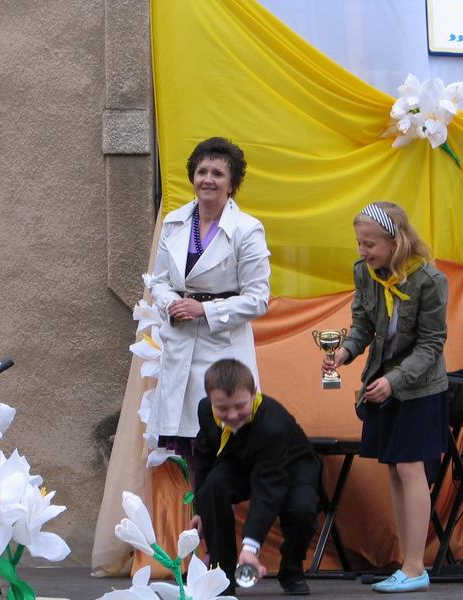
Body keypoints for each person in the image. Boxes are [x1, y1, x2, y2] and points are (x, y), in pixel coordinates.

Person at [322, 201, 448, 593]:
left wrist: (395, 381)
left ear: (396, 242)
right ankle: (406, 562)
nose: (362, 251)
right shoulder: (364, 272)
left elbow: (431, 344)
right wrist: (345, 352)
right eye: (359, 243)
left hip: (419, 387)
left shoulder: (430, 280)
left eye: (370, 244)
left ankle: (415, 567)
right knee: (394, 468)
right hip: (383, 384)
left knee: (410, 467)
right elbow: (363, 324)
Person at [147, 137, 271, 462]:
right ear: (193, 177)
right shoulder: (173, 223)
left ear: (232, 184)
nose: (208, 179)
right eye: (202, 171)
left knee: (224, 448)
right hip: (180, 345)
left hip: (223, 351)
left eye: (218, 173)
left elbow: (258, 299)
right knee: (189, 452)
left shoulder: (247, 230)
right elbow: (159, 282)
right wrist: (170, 304)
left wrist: (204, 309)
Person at [190, 358, 320, 596]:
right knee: (211, 489)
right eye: (223, 408)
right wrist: (201, 509)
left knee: (301, 510)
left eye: (240, 406)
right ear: (210, 400)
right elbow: (204, 458)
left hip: (291, 465)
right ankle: (222, 578)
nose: (232, 414)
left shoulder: (272, 425)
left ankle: (291, 569)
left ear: (254, 393)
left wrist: (251, 547)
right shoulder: (205, 410)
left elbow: (267, 488)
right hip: (241, 461)